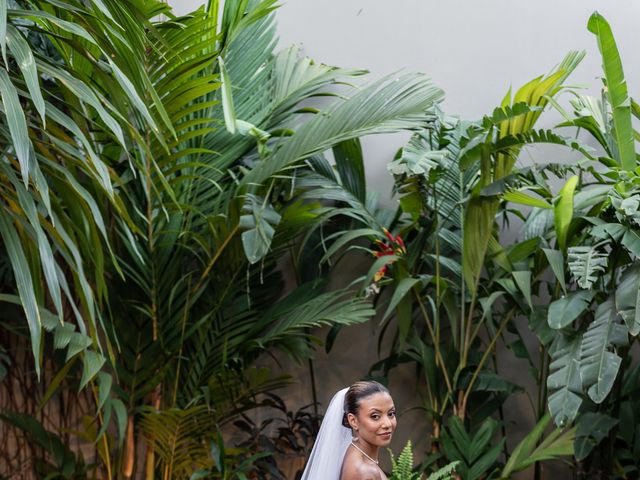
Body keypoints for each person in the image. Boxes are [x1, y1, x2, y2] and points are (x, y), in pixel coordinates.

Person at [301, 381, 397, 480]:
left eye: (391, 414)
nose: (388, 424)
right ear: (353, 421)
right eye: (375, 416)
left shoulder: (352, 453)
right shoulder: (365, 473)